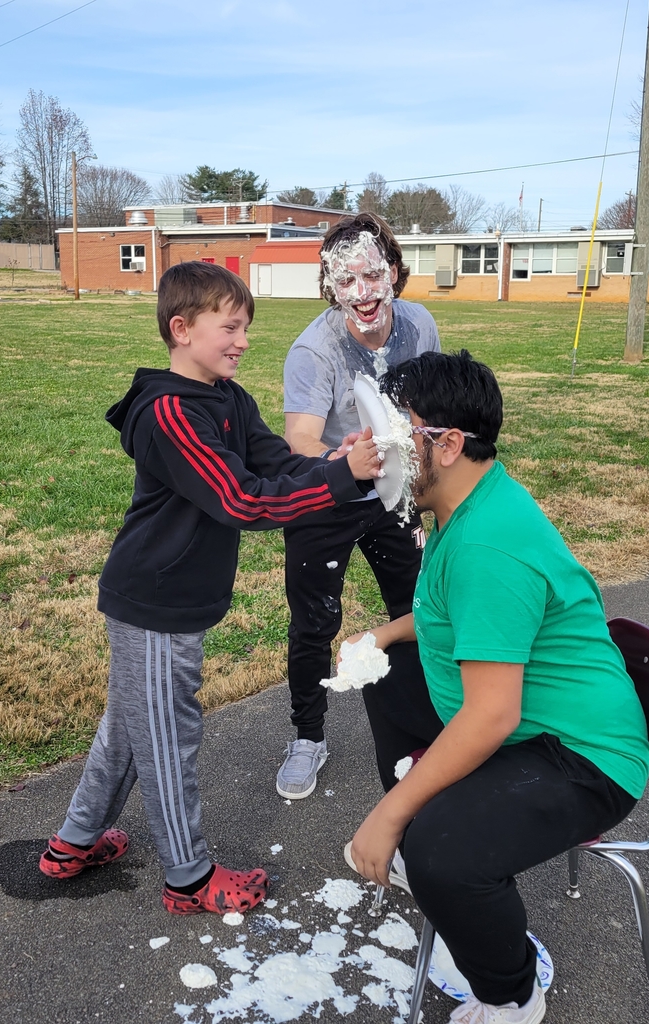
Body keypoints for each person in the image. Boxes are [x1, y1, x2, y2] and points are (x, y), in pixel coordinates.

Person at [38, 261, 380, 916]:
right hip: (154, 603)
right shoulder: (169, 412)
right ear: (181, 328)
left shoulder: (227, 397)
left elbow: (274, 462)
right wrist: (340, 484)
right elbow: (241, 500)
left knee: (129, 728)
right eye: (230, 327)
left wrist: (336, 461)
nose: (243, 340)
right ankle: (190, 880)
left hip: (175, 599)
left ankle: (73, 843)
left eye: (246, 327)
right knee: (165, 736)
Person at [344, 350, 649, 1024]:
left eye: (397, 434)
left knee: (442, 855)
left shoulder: (488, 543)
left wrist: (391, 815)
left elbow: (490, 716)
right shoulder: (466, 506)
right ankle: (425, 833)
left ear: (447, 445)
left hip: (582, 757)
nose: (378, 452)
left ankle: (512, 995)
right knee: (386, 676)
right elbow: (445, 615)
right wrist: (385, 637)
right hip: (526, 726)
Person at [276, 212, 440, 800]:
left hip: (397, 493)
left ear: (394, 272)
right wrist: (344, 461)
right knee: (315, 619)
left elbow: (431, 409)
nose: (363, 293)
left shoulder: (419, 325)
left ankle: (431, 718)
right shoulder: (313, 350)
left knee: (420, 604)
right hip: (331, 490)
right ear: (330, 288)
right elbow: (299, 440)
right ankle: (307, 737)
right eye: (347, 281)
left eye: (372, 274)